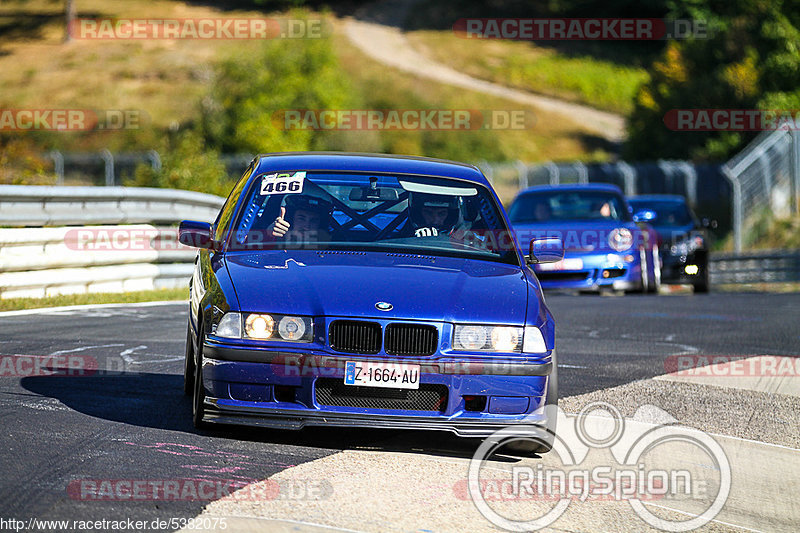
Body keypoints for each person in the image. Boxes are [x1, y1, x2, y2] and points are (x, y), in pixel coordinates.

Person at [268, 195, 333, 242]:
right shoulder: (276, 244)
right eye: (301, 219)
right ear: (291, 220)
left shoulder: (332, 248)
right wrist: (269, 236)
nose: (307, 227)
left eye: (313, 221)